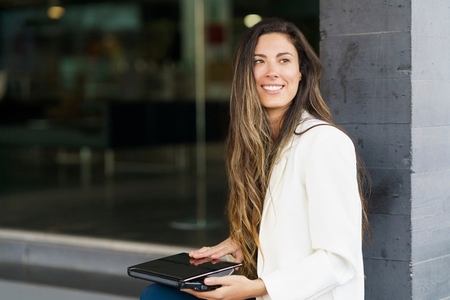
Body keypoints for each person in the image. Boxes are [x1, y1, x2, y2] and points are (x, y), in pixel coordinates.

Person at [140, 17, 369, 300]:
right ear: (246, 74)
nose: (272, 72)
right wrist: (244, 242)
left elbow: (339, 260)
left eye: (284, 60)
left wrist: (259, 287)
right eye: (259, 61)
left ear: (301, 72)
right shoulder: (258, 144)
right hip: (264, 290)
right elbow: (287, 226)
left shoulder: (324, 143)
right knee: (160, 294)